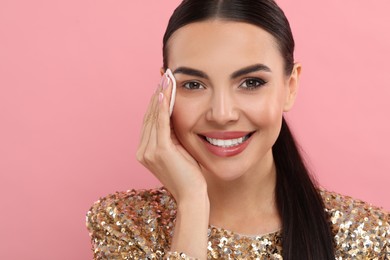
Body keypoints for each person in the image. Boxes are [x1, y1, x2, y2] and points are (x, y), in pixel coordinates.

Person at [86, 0, 389, 259]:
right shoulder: (124, 223)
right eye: (194, 84)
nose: (222, 114)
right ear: (165, 91)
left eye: (251, 83)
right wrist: (192, 203)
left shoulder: (368, 234)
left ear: (290, 86)